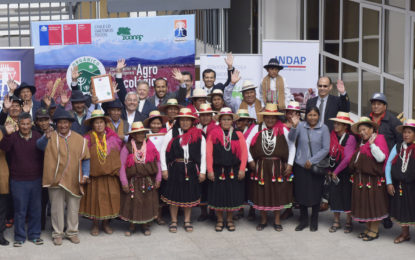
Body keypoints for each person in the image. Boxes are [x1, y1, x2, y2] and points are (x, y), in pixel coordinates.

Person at [37, 107, 91, 246]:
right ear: (56, 124)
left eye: (65, 122)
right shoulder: (50, 136)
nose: (63, 125)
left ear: (70, 123)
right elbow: (39, 146)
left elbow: (86, 158)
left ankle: (72, 233)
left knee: (73, 208)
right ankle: (57, 234)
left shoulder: (80, 139)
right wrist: (45, 137)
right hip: (55, 180)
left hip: (74, 179)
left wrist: (85, 174)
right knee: (56, 208)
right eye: (60, 122)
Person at [246, 104, 296, 231]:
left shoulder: (282, 129)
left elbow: (292, 146)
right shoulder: (256, 128)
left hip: (277, 167)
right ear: (264, 117)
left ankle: (277, 220)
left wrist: (290, 164)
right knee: (262, 193)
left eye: (273, 117)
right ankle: (263, 220)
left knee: (277, 193)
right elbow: (245, 145)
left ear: (276, 118)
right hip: (261, 167)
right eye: (267, 117)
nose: (270, 120)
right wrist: (250, 160)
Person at [0, 113, 43, 247]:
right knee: (20, 210)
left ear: (31, 124)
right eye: (22, 124)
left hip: (35, 179)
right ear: (18, 125)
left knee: (35, 209)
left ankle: (35, 235)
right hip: (17, 180)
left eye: (27, 124)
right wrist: (6, 134)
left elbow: (44, 155)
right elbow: (3, 148)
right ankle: (19, 237)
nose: (25, 127)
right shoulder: (12, 137)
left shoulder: (37, 137)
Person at [160, 108, 206, 233]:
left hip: (191, 168)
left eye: (187, 120)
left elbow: (203, 154)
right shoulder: (172, 133)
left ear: (192, 121)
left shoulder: (199, 134)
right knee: (174, 195)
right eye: (182, 120)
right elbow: (163, 151)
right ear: (178, 121)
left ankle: (187, 220)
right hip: (175, 168)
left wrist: (203, 171)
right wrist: (164, 169)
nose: (185, 122)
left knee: (188, 195)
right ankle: (174, 220)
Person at [80, 110, 122, 236]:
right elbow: (83, 158)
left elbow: (117, 156)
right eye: (96, 123)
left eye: (101, 122)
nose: (99, 125)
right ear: (92, 125)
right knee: (95, 201)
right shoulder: (87, 139)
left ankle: (106, 223)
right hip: (95, 177)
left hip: (110, 176)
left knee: (109, 200)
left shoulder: (113, 138)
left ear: (105, 124)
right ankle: (95, 224)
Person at [288, 106, 330, 232]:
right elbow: (291, 139)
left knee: (316, 193)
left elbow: (325, 148)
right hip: (300, 165)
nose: (312, 118)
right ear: (306, 116)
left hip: (315, 167)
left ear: (318, 116)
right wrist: (294, 126)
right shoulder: (300, 126)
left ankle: (314, 220)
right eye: (310, 115)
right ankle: (304, 220)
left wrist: (311, 161)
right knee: (301, 193)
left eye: (315, 115)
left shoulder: (324, 128)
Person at [206, 107, 247, 232]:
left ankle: (229, 219)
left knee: (231, 196)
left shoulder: (238, 134)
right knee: (218, 195)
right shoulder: (213, 134)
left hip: (233, 171)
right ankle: (219, 220)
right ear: (219, 120)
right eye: (224, 119)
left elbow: (244, 153)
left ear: (232, 121)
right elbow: (208, 153)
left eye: (228, 119)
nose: (226, 122)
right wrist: (210, 170)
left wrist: (242, 169)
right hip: (218, 170)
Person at [349, 117, 389, 241]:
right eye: (360, 130)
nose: (362, 132)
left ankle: (374, 231)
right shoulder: (361, 143)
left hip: (373, 180)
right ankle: (368, 228)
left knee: (373, 204)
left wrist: (372, 145)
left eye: (364, 129)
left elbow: (381, 158)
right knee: (365, 204)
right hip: (362, 179)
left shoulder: (379, 139)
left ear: (372, 129)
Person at [119, 121, 161, 236]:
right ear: (132, 135)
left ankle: (145, 225)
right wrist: (124, 182)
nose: (140, 135)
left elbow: (158, 162)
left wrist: (158, 178)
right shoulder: (127, 147)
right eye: (137, 133)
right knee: (133, 203)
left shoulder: (150, 145)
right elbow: (121, 165)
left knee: (147, 202)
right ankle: (132, 226)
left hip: (147, 180)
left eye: (142, 133)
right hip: (133, 181)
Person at [368, 93, 401, 230]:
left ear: (385, 106)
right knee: (371, 189)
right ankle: (370, 216)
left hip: (387, 163)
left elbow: (400, 142)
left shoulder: (393, 121)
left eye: (379, 103)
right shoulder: (366, 119)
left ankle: (386, 216)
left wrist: (394, 160)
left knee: (385, 191)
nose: (376, 106)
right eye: (374, 103)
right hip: (369, 161)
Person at [385, 119, 415, 244]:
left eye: (409, 132)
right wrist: (389, 182)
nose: (406, 135)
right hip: (400, 186)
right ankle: (405, 233)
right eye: (404, 132)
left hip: (413, 186)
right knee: (402, 209)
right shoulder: (397, 147)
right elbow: (388, 165)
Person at [326, 112, 356, 233]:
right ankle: (336, 221)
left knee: (346, 196)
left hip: (345, 171)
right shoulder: (332, 135)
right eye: (335, 123)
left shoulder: (351, 138)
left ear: (346, 126)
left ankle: (348, 222)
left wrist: (336, 172)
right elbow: (329, 154)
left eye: (339, 124)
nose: (336, 125)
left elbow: (348, 158)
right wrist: (330, 170)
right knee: (334, 196)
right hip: (333, 170)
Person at [143, 111, 167, 225]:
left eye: (158, 123)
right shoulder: (144, 135)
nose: (156, 126)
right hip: (149, 168)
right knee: (149, 193)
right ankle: (149, 215)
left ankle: (159, 215)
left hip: (162, 166)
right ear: (150, 124)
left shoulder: (166, 135)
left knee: (160, 193)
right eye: (154, 123)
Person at [195, 103, 218, 222]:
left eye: (207, 115)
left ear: (211, 116)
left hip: (212, 161)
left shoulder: (216, 128)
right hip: (199, 161)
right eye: (202, 115)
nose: (204, 118)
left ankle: (212, 212)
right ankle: (203, 212)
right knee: (202, 188)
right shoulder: (195, 128)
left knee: (212, 188)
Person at [234, 109, 256, 220]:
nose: (238, 122)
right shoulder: (233, 132)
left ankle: (252, 211)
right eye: (237, 120)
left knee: (251, 187)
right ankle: (240, 210)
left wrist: (251, 160)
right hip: (238, 163)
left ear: (247, 121)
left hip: (250, 163)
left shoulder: (253, 131)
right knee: (238, 187)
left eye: (241, 120)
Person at [0, 127, 9, 246]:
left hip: (2, 172)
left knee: (1, 208)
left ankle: (0, 233)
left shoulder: (3, 130)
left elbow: (7, 148)